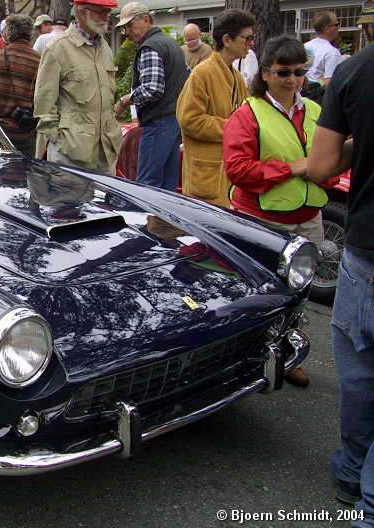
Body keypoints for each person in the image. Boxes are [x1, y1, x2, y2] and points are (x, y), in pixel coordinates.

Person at [224, 36, 341, 387]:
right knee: (257, 294)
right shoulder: (248, 114)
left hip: (309, 217)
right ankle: (239, 358)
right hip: (264, 222)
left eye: (300, 72)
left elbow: (327, 162)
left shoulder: (316, 112)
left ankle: (286, 355)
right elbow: (237, 170)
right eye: (284, 72)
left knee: (297, 293)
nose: (292, 79)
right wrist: (291, 168)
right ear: (266, 73)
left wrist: (324, 169)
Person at [307, 42, 374, 526]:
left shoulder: (355, 71)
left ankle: (355, 476)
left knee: (359, 372)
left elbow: (324, 164)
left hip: (367, 246)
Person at [177, 9, 255, 208]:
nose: (251, 44)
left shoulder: (236, 76)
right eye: (247, 39)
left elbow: (246, 116)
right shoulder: (202, 73)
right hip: (206, 173)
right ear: (227, 39)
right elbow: (189, 119)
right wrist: (234, 128)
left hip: (228, 171)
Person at [34, 0, 123, 173]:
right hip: (70, 154)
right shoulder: (58, 48)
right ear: (82, 13)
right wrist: (58, 141)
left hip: (105, 151)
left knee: (104, 200)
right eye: (101, 12)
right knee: (68, 200)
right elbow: (43, 105)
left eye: (108, 13)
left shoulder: (104, 47)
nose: (106, 18)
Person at [113, 2, 187, 192]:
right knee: (168, 189)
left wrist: (124, 100)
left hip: (158, 122)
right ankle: (163, 223)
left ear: (146, 20)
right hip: (175, 121)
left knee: (147, 186)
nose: (127, 31)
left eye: (130, 25)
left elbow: (152, 90)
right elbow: (188, 78)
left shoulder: (149, 47)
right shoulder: (173, 45)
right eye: (124, 28)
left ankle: (147, 223)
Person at [0, 14, 41, 158]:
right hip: (27, 131)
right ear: (30, 34)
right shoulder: (41, 61)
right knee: (25, 174)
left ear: (6, 35)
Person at [303, 10, 342, 105]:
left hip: (301, 96)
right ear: (327, 29)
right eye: (336, 24)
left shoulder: (304, 46)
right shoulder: (332, 53)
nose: (339, 27)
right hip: (318, 101)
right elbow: (331, 84)